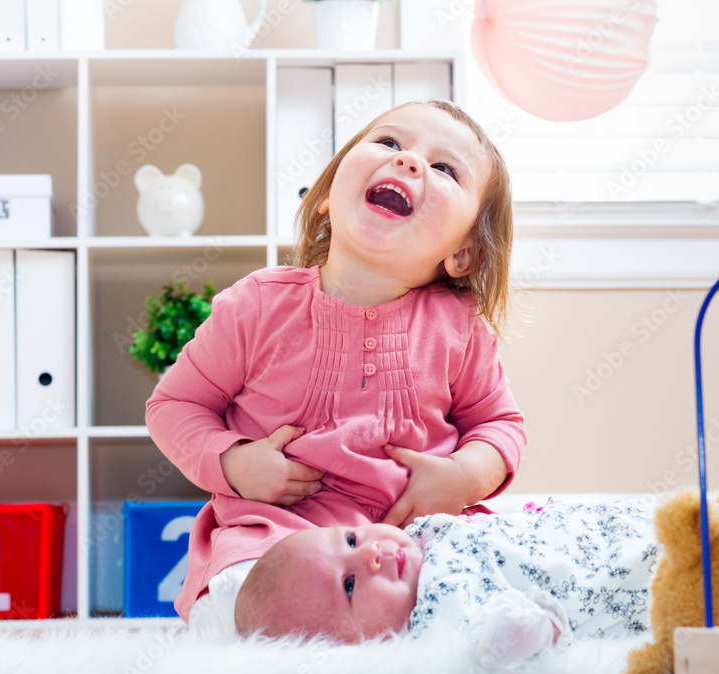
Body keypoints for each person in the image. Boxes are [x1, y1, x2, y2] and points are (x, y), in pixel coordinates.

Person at [145, 99, 528, 634]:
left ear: (463, 253)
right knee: (245, 595)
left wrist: (463, 478)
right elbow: (174, 405)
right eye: (390, 143)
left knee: (510, 565)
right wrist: (234, 463)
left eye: (444, 169)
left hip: (416, 535)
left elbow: (499, 426)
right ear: (327, 195)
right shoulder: (256, 305)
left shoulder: (460, 326)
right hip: (277, 530)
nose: (410, 162)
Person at [234, 499, 657, 666]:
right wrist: (526, 630)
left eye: (350, 539)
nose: (370, 553)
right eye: (349, 585)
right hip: (630, 574)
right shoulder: (441, 615)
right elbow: (512, 636)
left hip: (612, 522)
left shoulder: (423, 534)